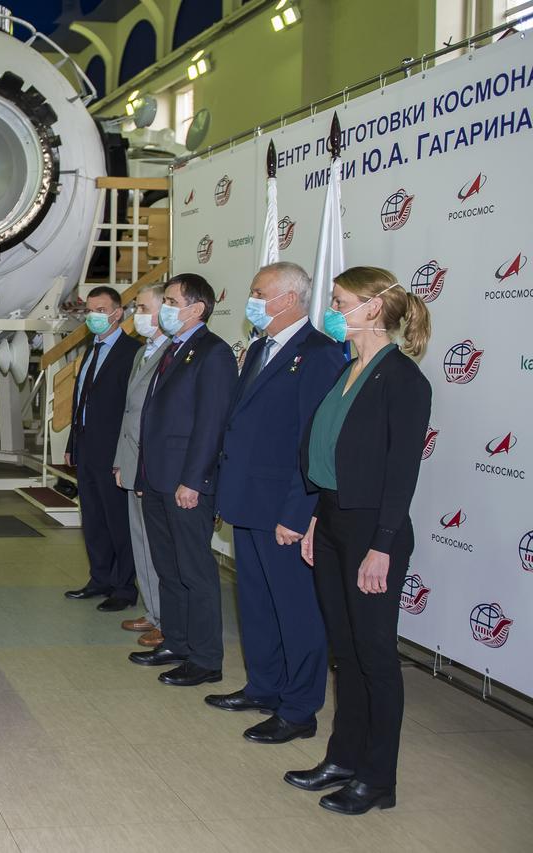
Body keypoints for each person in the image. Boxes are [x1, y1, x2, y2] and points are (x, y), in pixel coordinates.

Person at [288, 266, 432, 815]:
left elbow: (401, 474)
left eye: (340, 300)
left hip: (375, 530)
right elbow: (329, 455)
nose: (333, 307)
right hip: (334, 520)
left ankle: (378, 777)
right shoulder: (348, 369)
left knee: (374, 657)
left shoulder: (402, 380)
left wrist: (383, 545)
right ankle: (343, 756)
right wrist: (318, 520)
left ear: (372, 307)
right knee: (344, 654)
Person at [206, 262, 345, 744]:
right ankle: (263, 687)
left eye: (259, 292)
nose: (253, 300)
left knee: (296, 610)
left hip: (283, 509)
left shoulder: (320, 355)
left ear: (288, 299)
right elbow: (240, 427)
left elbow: (313, 442)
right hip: (247, 501)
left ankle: (299, 708)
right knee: (257, 605)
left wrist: (298, 511)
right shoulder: (262, 348)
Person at [128, 273, 237, 687]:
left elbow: (211, 425)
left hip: (185, 485)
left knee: (195, 571)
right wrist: (142, 475)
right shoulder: (173, 350)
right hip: (156, 480)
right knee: (168, 568)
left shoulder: (213, 354)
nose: (166, 309)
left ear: (197, 309)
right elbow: (152, 420)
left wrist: (194, 481)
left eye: (172, 302)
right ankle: (175, 640)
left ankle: (206, 659)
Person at [63, 287, 140, 609]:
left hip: (113, 452)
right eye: (90, 309)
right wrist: (72, 442)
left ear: (118, 312)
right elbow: (81, 401)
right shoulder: (91, 350)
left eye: (101, 309)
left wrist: (125, 456)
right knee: (93, 519)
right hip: (87, 447)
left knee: (117, 522)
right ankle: (100, 578)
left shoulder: (132, 352)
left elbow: (132, 408)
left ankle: (123, 587)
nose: (94, 315)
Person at [112, 283, 169, 648]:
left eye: (144, 307)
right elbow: (128, 414)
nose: (138, 314)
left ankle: (167, 618)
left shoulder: (171, 353)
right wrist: (120, 460)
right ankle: (152, 611)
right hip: (132, 461)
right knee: (140, 543)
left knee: (157, 546)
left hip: (153, 466)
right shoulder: (143, 353)